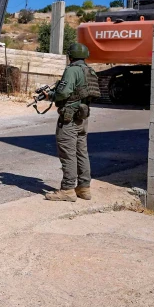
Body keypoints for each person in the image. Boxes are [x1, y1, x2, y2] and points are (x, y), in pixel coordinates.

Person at [44, 42, 100, 202]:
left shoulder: (72, 70)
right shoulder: (89, 70)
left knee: (68, 153)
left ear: (70, 56)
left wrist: (51, 96)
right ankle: (84, 188)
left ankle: (67, 190)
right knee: (81, 152)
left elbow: (63, 93)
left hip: (69, 118)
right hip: (82, 117)